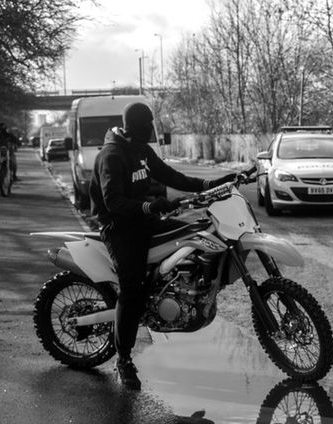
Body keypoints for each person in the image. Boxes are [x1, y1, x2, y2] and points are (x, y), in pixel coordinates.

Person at [90, 102, 237, 389]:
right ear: (134, 125)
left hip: (145, 221)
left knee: (195, 234)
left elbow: (172, 176)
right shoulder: (112, 155)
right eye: (148, 122)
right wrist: (147, 206)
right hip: (119, 228)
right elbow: (113, 202)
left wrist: (211, 184)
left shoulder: (142, 150)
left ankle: (174, 294)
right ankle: (123, 360)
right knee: (131, 289)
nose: (152, 127)